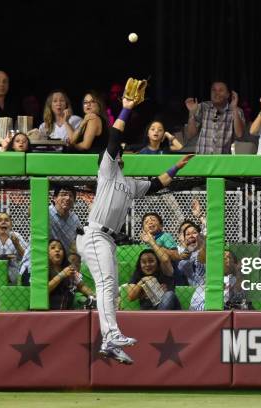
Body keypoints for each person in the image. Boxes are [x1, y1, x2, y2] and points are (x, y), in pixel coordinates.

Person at [76, 93, 193, 365]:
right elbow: (114, 140)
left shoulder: (129, 184)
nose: (117, 152)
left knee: (113, 288)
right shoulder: (106, 171)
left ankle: (110, 341)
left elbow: (156, 184)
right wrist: (126, 109)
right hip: (94, 233)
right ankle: (112, 335)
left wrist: (177, 166)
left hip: (106, 239)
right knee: (106, 284)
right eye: (115, 152)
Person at [185, 80, 246, 154]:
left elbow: (239, 134)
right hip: (202, 158)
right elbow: (191, 134)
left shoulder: (237, 111)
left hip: (223, 160)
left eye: (221, 90)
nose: (216, 93)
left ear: (228, 95)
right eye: (214, 90)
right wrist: (192, 113)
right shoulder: (202, 107)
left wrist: (234, 109)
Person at [47, 240, 95, 310]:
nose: (57, 250)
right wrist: (62, 274)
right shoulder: (45, 270)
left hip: (67, 310)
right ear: (47, 253)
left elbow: (81, 286)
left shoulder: (69, 268)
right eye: (53, 248)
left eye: (60, 248)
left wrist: (93, 295)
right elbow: (44, 290)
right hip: (50, 310)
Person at [0, 212, 28, 284]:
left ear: (11, 225)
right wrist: (7, 256)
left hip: (15, 275)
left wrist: (17, 245)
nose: (3, 222)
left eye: (6, 220)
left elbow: (26, 256)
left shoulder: (17, 236)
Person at [177, 222, 206, 311]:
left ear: (199, 235)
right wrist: (188, 249)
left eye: (194, 233)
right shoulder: (184, 257)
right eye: (188, 234)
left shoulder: (208, 249)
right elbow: (181, 266)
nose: (191, 236)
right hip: (199, 290)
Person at [49, 185, 80, 256]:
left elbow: (77, 241)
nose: (67, 198)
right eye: (63, 194)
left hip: (65, 260)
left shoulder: (75, 218)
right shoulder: (47, 212)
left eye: (71, 196)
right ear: (54, 198)